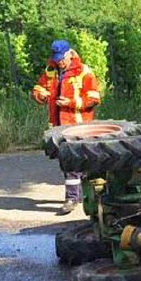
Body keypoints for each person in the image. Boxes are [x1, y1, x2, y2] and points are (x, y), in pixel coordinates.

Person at [32, 39, 101, 215]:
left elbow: (94, 98)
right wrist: (41, 94)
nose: (59, 62)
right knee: (67, 161)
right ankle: (77, 196)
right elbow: (37, 89)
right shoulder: (51, 71)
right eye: (56, 58)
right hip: (58, 126)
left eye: (62, 58)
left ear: (70, 53)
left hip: (78, 125)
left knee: (75, 161)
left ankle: (73, 198)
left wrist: (70, 102)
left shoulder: (84, 72)